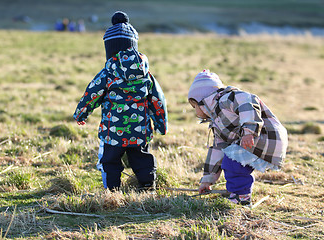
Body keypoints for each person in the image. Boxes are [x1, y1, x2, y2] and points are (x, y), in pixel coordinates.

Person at [73, 11, 168, 191]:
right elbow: (158, 100)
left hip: (113, 131)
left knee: (110, 160)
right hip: (140, 129)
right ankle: (147, 186)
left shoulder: (107, 73)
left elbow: (91, 93)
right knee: (141, 157)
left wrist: (81, 113)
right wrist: (161, 124)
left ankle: (113, 191)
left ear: (109, 49)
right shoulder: (145, 74)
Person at [188, 69, 288, 206]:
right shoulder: (217, 122)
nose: (195, 112)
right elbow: (218, 149)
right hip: (254, 140)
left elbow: (248, 101)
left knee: (232, 163)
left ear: (202, 101)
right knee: (231, 161)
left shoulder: (225, 99)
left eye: (194, 106)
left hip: (265, 135)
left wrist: (248, 131)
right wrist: (207, 179)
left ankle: (241, 197)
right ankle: (238, 194)